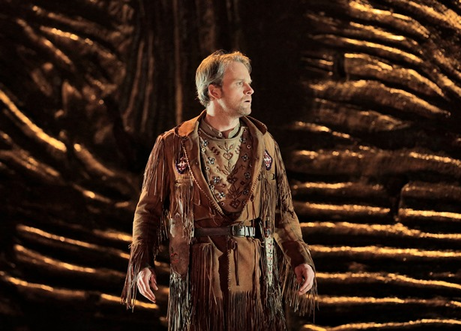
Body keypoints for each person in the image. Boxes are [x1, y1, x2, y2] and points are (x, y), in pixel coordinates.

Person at [121, 50, 316, 331]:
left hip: (255, 279)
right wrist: (142, 262)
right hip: (198, 279)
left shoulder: (265, 143)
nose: (251, 89)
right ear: (213, 90)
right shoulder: (173, 144)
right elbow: (149, 210)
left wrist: (299, 257)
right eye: (240, 83)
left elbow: (281, 211)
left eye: (248, 82)